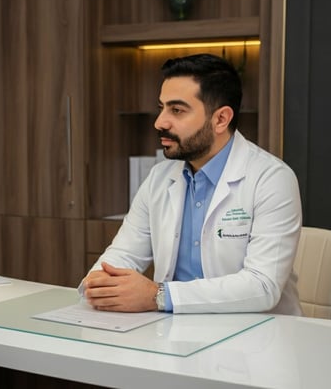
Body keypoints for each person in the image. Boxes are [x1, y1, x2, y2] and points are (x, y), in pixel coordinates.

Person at [81, 53, 303, 315]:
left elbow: (262, 286)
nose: (160, 122)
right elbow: (123, 255)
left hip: (254, 332)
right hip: (173, 329)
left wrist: (158, 296)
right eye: (161, 107)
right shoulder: (158, 178)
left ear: (220, 119)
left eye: (176, 110)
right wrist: (99, 282)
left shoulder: (271, 179)